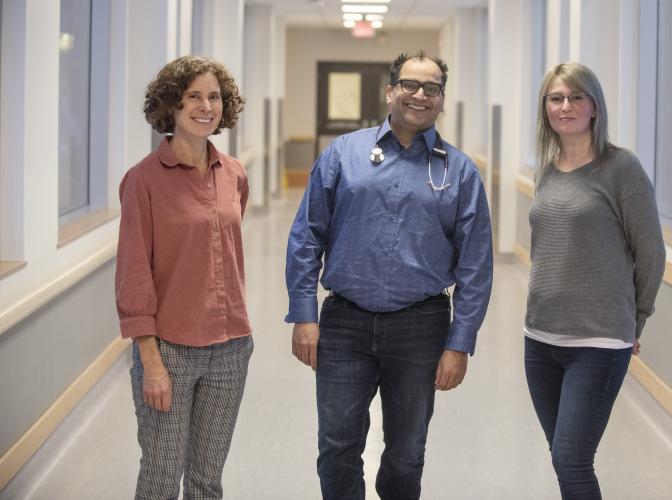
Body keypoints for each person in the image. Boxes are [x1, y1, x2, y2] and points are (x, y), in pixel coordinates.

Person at [285, 50, 493, 500]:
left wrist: (460, 343)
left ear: (441, 99)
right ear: (391, 90)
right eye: (410, 85)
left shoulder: (458, 172)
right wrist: (304, 314)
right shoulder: (344, 153)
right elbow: (307, 236)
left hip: (421, 326)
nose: (420, 95)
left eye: (431, 88)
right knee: (337, 446)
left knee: (406, 451)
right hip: (344, 323)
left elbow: (476, 266)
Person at [524, 61, 666, 499]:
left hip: (598, 343)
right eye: (556, 98)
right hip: (540, 339)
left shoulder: (621, 169)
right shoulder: (546, 170)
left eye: (575, 97)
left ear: (594, 107)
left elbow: (651, 254)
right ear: (546, 107)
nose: (565, 106)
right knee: (561, 454)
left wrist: (634, 320)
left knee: (571, 458)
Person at [115, 55, 252, 500]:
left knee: (206, 480)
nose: (205, 106)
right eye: (193, 96)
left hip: (230, 348)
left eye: (214, 96)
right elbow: (134, 273)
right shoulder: (143, 181)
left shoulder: (233, 174)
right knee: (160, 476)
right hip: (169, 351)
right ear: (171, 105)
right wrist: (150, 362)